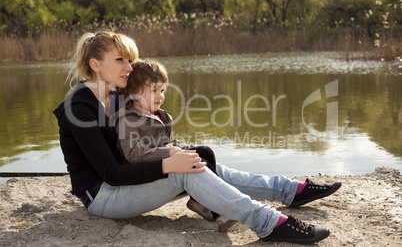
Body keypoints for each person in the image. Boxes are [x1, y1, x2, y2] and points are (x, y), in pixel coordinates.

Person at [53, 30, 342, 244]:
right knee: (185, 172)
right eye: (120, 60)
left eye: (131, 60)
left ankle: (290, 191)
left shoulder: (115, 97)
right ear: (95, 65)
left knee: (199, 161)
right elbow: (112, 173)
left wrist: (177, 154)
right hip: (103, 197)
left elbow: (139, 147)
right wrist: (168, 165)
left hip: (127, 183)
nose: (130, 68)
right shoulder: (80, 107)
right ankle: (269, 223)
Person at [114, 58, 234, 230]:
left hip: (166, 162)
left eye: (162, 90)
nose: (161, 96)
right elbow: (133, 154)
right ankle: (218, 211)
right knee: (196, 158)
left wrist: (184, 149)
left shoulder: (161, 116)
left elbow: (169, 142)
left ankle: (201, 201)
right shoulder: (127, 119)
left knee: (204, 152)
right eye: (154, 90)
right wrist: (170, 152)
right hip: (148, 173)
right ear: (133, 93)